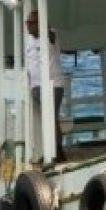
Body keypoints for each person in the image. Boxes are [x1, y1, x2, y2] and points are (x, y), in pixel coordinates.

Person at [25, 10, 67, 162]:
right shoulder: (29, 40)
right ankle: (49, 150)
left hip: (53, 84)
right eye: (27, 23)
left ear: (39, 24)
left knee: (51, 117)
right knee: (46, 118)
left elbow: (51, 35)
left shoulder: (50, 35)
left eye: (31, 23)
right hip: (36, 85)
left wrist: (45, 27)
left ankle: (57, 151)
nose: (28, 26)